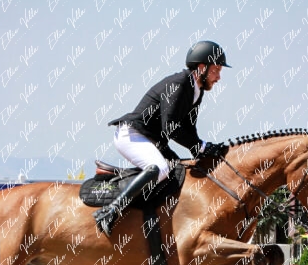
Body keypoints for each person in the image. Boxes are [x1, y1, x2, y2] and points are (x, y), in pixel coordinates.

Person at [93, 40, 231, 236]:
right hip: (132, 135)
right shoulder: (179, 84)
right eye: (216, 70)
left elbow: (188, 128)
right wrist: (200, 146)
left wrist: (202, 150)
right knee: (160, 168)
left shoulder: (197, 91)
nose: (218, 77)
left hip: (152, 140)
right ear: (202, 67)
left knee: (180, 171)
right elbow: (171, 127)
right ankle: (109, 211)